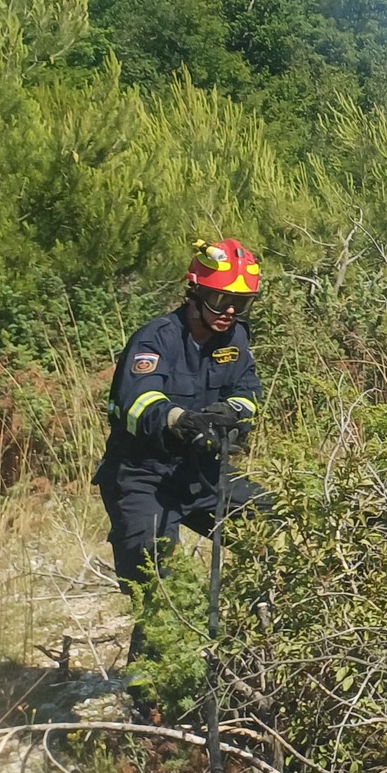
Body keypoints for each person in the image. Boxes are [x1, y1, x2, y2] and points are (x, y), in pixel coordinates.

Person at [94, 238, 270, 600]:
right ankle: (159, 655)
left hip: (203, 473)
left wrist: (231, 414)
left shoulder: (235, 338)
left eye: (241, 303)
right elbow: (136, 402)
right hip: (144, 479)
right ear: (195, 293)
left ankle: (253, 640)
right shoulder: (157, 338)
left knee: (275, 525)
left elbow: (248, 392)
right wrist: (179, 420)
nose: (230, 312)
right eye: (222, 301)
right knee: (155, 586)